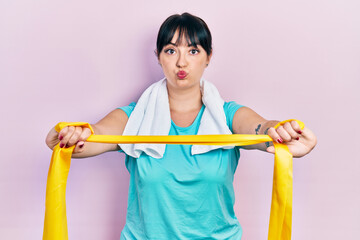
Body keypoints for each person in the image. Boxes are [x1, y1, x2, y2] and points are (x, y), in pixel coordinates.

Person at [46, 12, 317, 240]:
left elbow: (262, 129)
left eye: (193, 50)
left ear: (208, 57)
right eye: (171, 50)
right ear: (159, 56)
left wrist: (282, 132)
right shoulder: (136, 118)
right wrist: (70, 135)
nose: (181, 62)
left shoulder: (227, 116)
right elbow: (94, 136)